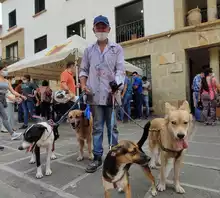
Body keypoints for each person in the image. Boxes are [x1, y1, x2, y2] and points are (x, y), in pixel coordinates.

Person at [79, 15, 125, 173]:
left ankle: (113, 156)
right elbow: (83, 70)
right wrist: (84, 85)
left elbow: (120, 70)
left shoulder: (117, 49)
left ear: (109, 29)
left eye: (103, 27)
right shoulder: (88, 50)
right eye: (98, 27)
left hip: (111, 95)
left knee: (112, 128)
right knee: (97, 127)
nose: (101, 30)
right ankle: (97, 157)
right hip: (94, 95)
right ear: (93, 29)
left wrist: (116, 84)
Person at [0, 66, 26, 140]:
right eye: (4, 70)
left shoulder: (6, 81)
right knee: (4, 117)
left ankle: (13, 134)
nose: (6, 71)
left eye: (6, 70)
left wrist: (21, 96)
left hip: (2, 99)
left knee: (4, 117)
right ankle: (12, 134)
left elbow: (12, 91)